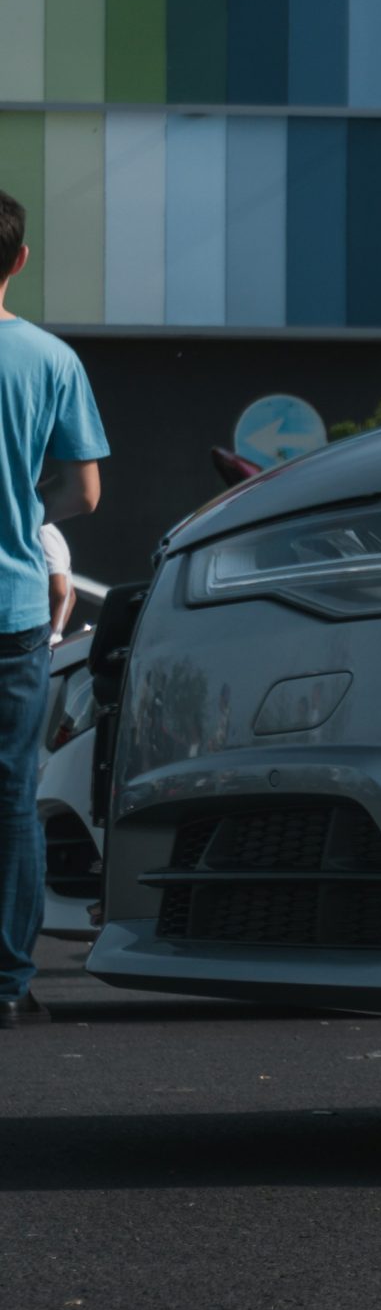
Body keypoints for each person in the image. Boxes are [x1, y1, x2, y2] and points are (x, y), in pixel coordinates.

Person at [0, 189, 106, 1030]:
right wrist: (28, 516)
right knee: (10, 798)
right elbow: (83, 490)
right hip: (11, 609)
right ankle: (6, 984)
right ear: (19, 260)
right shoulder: (49, 359)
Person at [40, 520, 74, 644]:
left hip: (39, 647)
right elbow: (70, 594)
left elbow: (60, 591)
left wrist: (45, 640)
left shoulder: (42, 531)